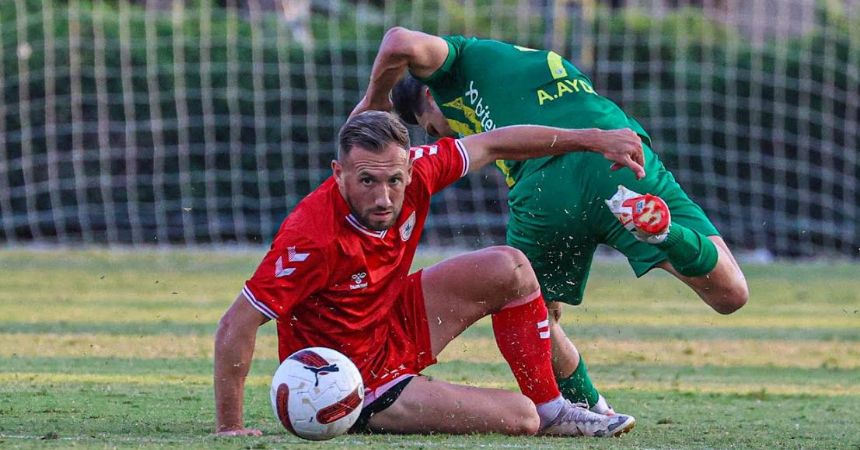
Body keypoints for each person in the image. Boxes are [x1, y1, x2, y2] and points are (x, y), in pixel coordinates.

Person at [352, 27, 750, 416]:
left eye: (433, 126)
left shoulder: (453, 61)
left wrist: (375, 99)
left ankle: (586, 407)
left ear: (426, 91)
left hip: (545, 190)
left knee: (529, 311)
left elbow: (399, 41)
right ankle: (663, 232)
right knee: (731, 293)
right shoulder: (519, 62)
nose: (443, 133)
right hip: (619, 160)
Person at [214, 111, 645, 437]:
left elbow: (493, 143)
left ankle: (556, 407)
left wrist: (593, 139)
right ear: (339, 174)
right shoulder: (312, 237)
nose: (384, 198)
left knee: (508, 266)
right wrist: (230, 426)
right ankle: (538, 413)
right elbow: (237, 322)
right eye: (367, 181)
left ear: (408, 170)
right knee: (520, 417)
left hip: (395, 321)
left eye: (395, 181)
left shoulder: (419, 169)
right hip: (358, 383)